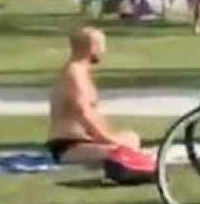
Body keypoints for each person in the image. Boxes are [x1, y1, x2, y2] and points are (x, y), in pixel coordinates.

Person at [46, 27, 142, 165]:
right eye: (102, 45)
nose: (104, 50)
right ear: (92, 47)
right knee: (121, 154)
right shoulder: (75, 74)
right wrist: (109, 139)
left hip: (89, 141)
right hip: (72, 145)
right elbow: (83, 112)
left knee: (132, 138)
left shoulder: (79, 71)